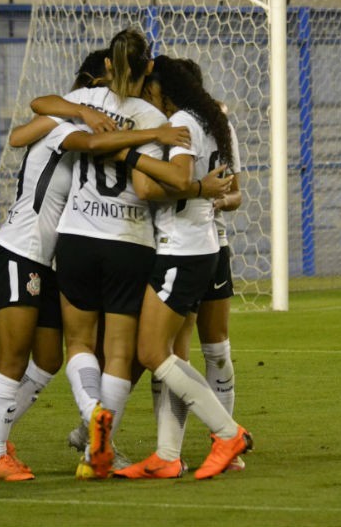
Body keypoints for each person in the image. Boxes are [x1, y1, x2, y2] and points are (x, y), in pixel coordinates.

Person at [0, 48, 192, 482]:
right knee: (13, 359)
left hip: (46, 261)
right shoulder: (65, 125)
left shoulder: (70, 117)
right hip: (17, 251)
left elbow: (25, 128)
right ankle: (0, 453)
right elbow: (59, 131)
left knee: (50, 358)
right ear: (95, 85)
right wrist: (150, 135)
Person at [30, 28, 197, 480]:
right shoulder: (152, 116)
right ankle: (95, 453)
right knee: (120, 353)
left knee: (80, 344)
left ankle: (92, 418)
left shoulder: (84, 98)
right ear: (148, 68)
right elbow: (149, 184)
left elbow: (40, 105)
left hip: (77, 237)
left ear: (107, 65)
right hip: (128, 240)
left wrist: (83, 107)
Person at [110, 56, 252, 481]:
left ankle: (228, 433)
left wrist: (130, 156)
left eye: (150, 90)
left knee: (151, 352)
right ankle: (168, 454)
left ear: (163, 89)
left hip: (183, 250)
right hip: (196, 246)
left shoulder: (185, 123)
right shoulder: (209, 120)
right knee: (170, 352)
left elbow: (180, 178)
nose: (148, 97)